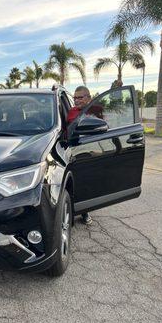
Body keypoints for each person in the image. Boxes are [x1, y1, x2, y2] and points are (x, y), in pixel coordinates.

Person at [67, 86, 96, 226]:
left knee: (87, 181)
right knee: (75, 181)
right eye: (75, 98)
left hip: (91, 149)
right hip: (74, 150)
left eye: (80, 97)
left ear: (88, 98)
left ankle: (85, 212)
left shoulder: (96, 111)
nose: (76, 100)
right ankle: (71, 211)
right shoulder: (71, 112)